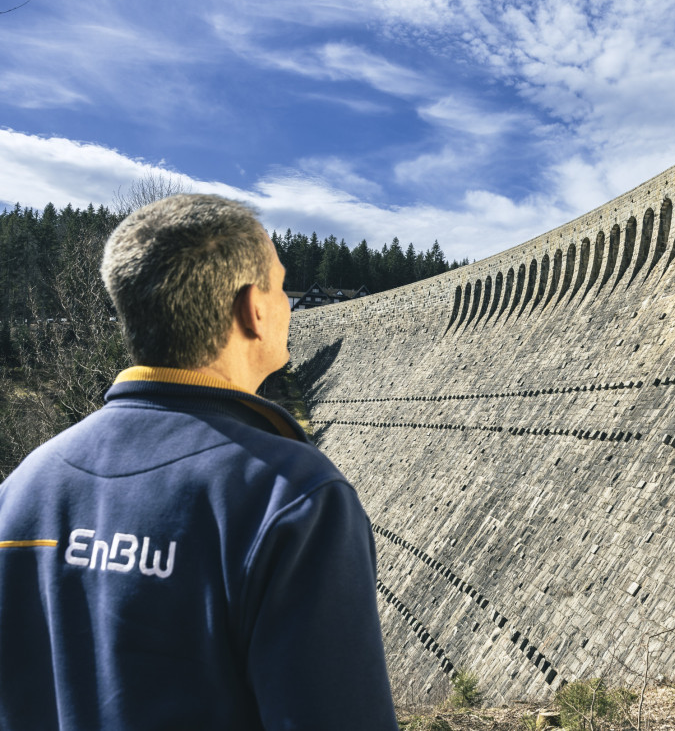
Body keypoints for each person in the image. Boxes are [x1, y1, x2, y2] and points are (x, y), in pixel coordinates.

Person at [0, 194, 399, 730]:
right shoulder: (290, 497)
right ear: (252, 309)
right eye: (281, 286)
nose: (287, 304)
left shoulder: (25, 486)